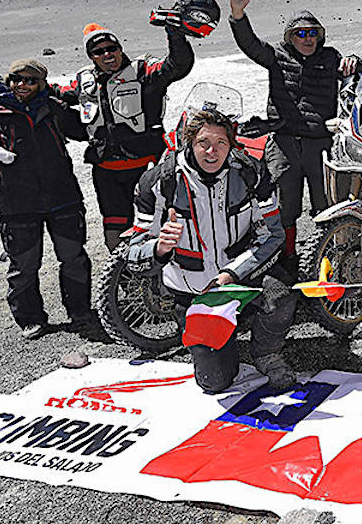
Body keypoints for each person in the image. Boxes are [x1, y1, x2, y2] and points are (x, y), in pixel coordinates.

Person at [127, 107, 296, 392]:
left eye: (221, 143)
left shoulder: (251, 174)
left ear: (231, 144)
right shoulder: (159, 183)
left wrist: (232, 273)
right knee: (214, 383)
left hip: (239, 280)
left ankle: (266, 352)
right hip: (193, 292)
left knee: (281, 295)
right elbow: (132, 257)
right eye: (203, 142)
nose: (211, 152)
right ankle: (218, 341)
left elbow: (274, 235)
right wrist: (158, 248)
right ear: (188, 142)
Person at [227, 0, 362, 269]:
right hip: (284, 143)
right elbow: (250, 45)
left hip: (320, 144)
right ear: (290, 37)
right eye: (300, 33)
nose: (307, 38)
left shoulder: (331, 57)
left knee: (326, 204)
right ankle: (287, 258)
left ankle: (328, 259)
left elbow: (354, 72)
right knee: (284, 207)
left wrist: (355, 61)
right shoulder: (277, 56)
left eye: (313, 33)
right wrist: (238, 15)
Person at [57, 0, 205, 252]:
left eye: (111, 48)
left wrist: (175, 34)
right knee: (114, 231)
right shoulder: (84, 81)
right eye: (98, 51)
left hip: (146, 166)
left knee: (156, 224)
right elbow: (57, 94)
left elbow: (178, 65)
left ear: (120, 48)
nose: (107, 54)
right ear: (91, 56)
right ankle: (125, 282)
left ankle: (164, 279)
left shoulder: (142, 71)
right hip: (106, 171)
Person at [0, 59, 93, 339]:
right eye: (16, 79)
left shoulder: (53, 108)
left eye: (30, 80)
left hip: (63, 197)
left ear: (41, 83)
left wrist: (90, 101)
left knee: (74, 258)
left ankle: (79, 311)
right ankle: (31, 319)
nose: (22, 85)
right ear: (8, 80)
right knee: (24, 265)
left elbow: (85, 130)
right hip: (16, 204)